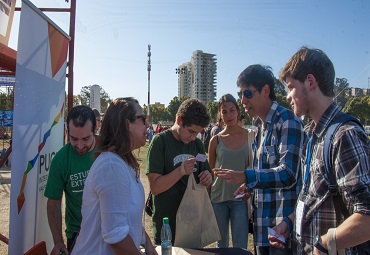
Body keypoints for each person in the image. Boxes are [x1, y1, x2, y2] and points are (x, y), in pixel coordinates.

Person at [268, 47, 370, 255]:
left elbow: (367, 215)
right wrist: (289, 223)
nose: (287, 96)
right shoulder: (312, 135)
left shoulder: (344, 135)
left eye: (290, 87)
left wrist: (325, 244)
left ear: (310, 82)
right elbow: (315, 196)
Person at [214, 64, 305, 255]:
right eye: (240, 95)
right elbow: (264, 173)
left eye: (247, 93)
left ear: (265, 91)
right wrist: (250, 188)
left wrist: (247, 177)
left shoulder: (287, 121)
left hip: (282, 231)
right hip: (262, 229)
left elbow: (289, 173)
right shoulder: (259, 128)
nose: (243, 100)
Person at [71, 97, 157, 255]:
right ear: (127, 124)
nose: (147, 125)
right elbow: (116, 237)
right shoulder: (111, 166)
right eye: (142, 119)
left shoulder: (120, 162)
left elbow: (124, 218)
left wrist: (147, 241)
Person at [146, 98, 213, 245]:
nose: (193, 137)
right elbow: (155, 188)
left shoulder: (197, 145)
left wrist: (208, 177)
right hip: (167, 226)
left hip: (192, 224)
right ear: (179, 120)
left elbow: (206, 174)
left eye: (197, 133)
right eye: (191, 131)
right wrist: (181, 171)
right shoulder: (159, 142)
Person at [44, 105, 97, 255]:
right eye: (74, 139)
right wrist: (58, 241)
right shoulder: (61, 160)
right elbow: (53, 202)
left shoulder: (107, 151)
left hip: (107, 230)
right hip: (77, 234)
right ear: (67, 132)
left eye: (86, 139)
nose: (80, 146)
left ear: (95, 130)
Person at [208, 94, 253, 248]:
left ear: (238, 111)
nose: (229, 115)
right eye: (224, 111)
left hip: (240, 199)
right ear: (220, 114)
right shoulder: (216, 140)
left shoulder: (250, 136)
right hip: (218, 199)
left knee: (240, 247)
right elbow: (210, 171)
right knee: (221, 245)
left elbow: (252, 167)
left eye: (232, 110)